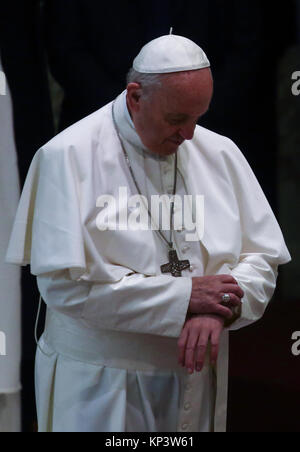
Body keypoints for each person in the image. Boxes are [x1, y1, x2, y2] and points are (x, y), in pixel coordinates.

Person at [6, 34, 291, 432]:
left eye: (198, 118)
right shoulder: (66, 156)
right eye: (177, 120)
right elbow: (63, 288)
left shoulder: (220, 152)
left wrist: (219, 307)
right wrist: (186, 298)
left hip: (194, 382)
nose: (189, 136)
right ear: (136, 96)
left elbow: (262, 258)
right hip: (100, 387)